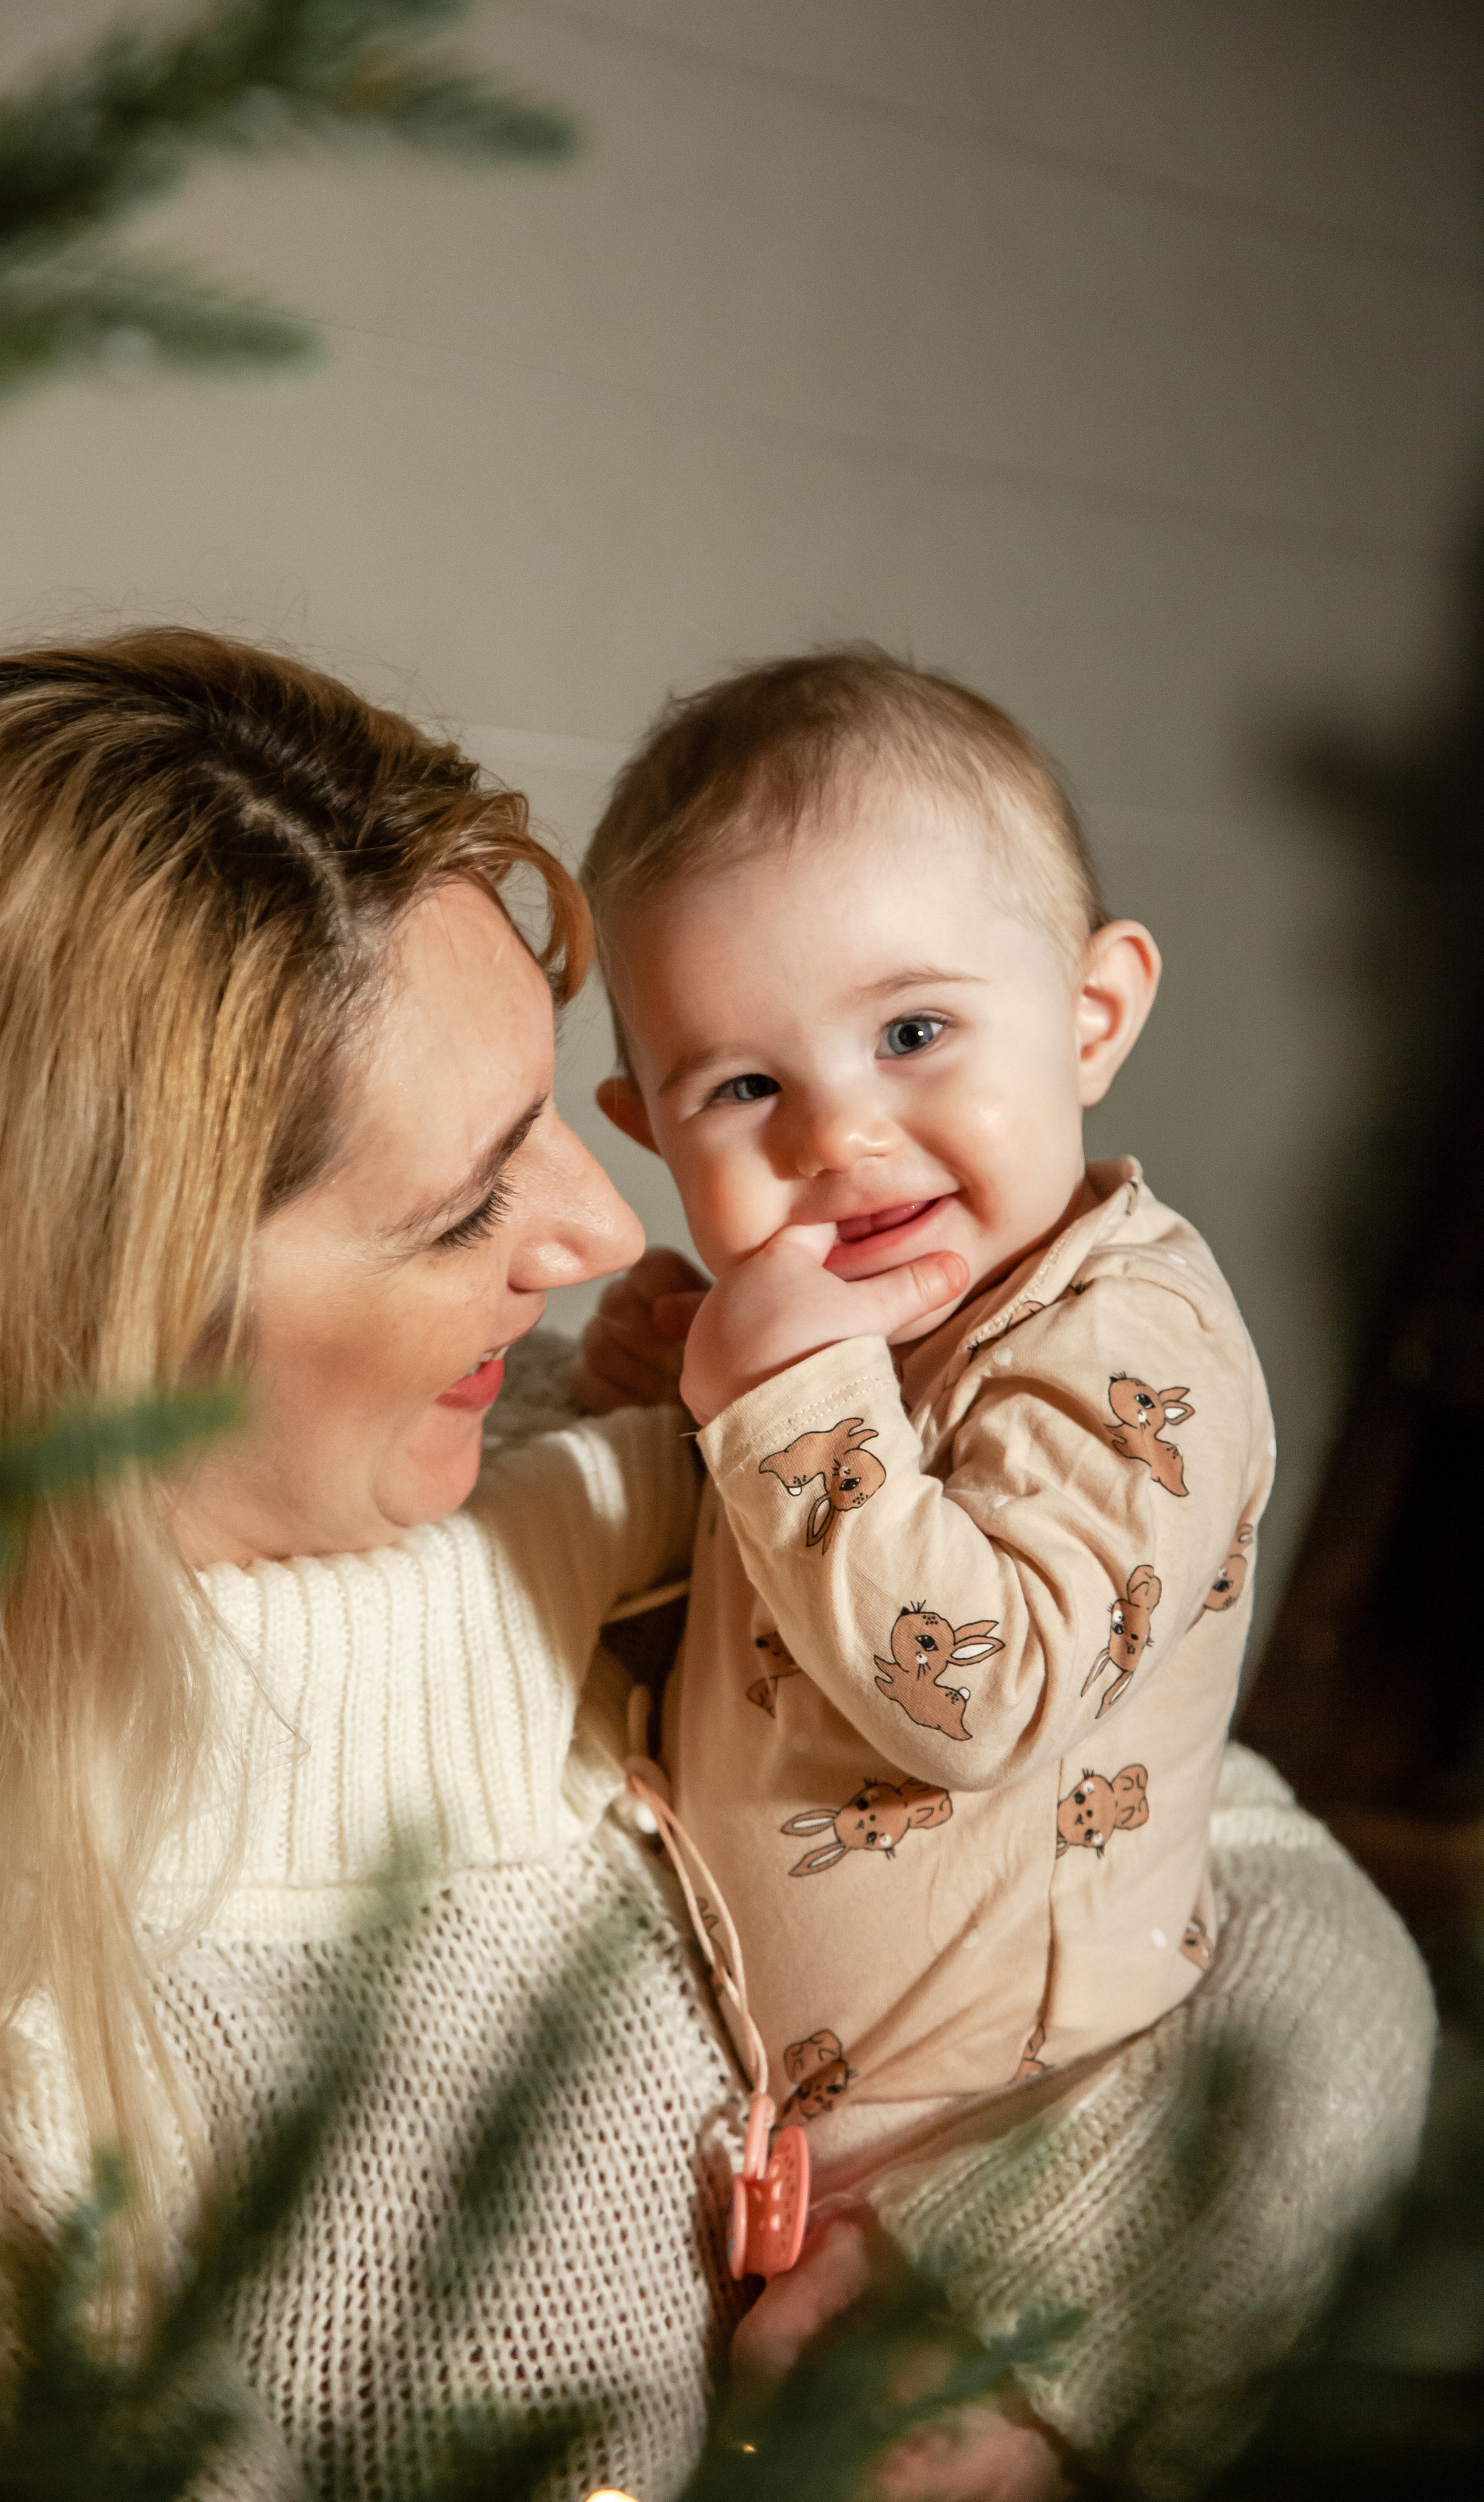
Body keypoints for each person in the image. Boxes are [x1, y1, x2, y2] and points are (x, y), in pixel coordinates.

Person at [0, 631, 1433, 2502]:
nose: (602, 1227)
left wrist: (1022, 2298)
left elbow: (1290, 1920)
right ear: (91, 1341)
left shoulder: (641, 1499)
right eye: (465, 1201)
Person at [575, 647, 1438, 2493]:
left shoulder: (1136, 1346)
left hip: (1037, 2129)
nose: (840, 1134)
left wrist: (790, 1406)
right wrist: (669, 1405)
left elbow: (973, 1693)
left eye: (913, 1033)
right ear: (645, 1126)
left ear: (1093, 1010)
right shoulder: (837, 1333)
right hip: (817, 2107)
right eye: (740, 1085)